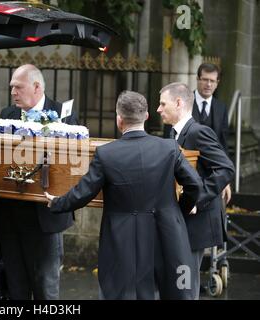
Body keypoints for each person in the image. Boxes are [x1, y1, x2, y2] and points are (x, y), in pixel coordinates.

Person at [45, 90, 203, 300]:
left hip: (122, 236)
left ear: (119, 119)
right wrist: (178, 209)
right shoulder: (169, 148)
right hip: (166, 230)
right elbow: (195, 184)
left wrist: (56, 202)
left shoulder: (106, 153)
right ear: (146, 116)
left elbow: (83, 193)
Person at [0, 64, 78, 300]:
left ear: (37, 87)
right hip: (11, 213)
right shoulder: (6, 114)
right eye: (11, 88)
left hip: (45, 216)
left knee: (45, 286)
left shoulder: (64, 115)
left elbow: (73, 162)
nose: (13, 93)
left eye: (18, 87)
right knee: (16, 286)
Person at [157, 82, 235, 299]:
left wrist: (196, 199)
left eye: (163, 104)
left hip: (196, 222)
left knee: (186, 286)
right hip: (182, 221)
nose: (158, 109)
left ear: (179, 103)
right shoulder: (173, 133)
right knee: (181, 284)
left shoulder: (199, 132)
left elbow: (226, 168)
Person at [164, 63, 232, 204]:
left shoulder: (221, 108)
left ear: (217, 83)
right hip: (186, 176)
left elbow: (223, 145)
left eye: (212, 81)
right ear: (197, 79)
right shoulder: (182, 104)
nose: (208, 84)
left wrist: (225, 181)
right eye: (205, 79)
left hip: (212, 178)